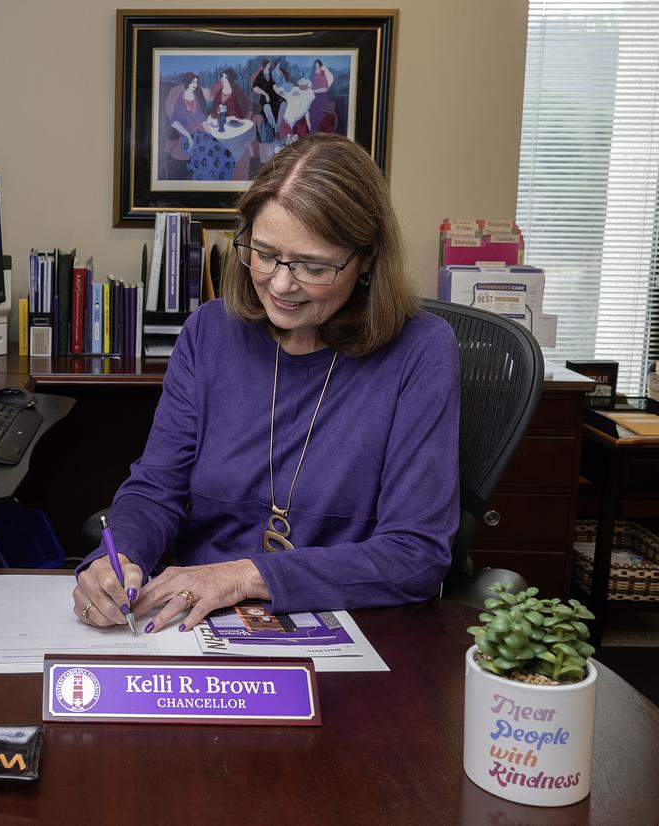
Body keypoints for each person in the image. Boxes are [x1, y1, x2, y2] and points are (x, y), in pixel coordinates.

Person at [72, 133, 460, 634]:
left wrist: (244, 576)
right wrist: (117, 558)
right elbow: (156, 489)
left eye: (313, 266)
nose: (280, 283)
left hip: (357, 630)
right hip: (194, 627)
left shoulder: (421, 352)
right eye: (265, 253)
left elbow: (417, 555)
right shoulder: (209, 332)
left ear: (365, 262)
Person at [307, 59, 335, 133]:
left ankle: (314, 131)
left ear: (320, 65)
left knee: (315, 111)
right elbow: (311, 84)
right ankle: (311, 130)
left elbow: (325, 88)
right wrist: (309, 87)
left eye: (317, 65)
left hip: (321, 96)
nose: (316, 66)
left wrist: (314, 91)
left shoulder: (323, 74)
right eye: (315, 65)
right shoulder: (313, 74)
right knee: (308, 109)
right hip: (313, 96)